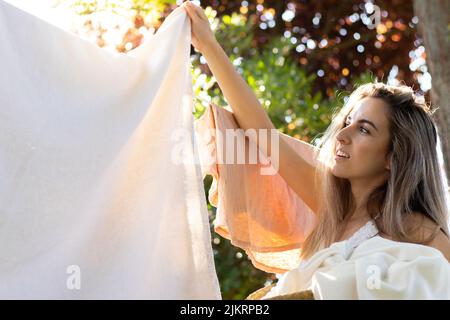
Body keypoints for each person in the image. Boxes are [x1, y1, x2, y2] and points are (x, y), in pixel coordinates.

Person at [182, 1, 450, 298]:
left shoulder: (415, 229)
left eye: (364, 129)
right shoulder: (330, 205)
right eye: (348, 121)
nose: (343, 135)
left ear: (392, 157)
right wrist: (207, 44)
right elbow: (263, 135)